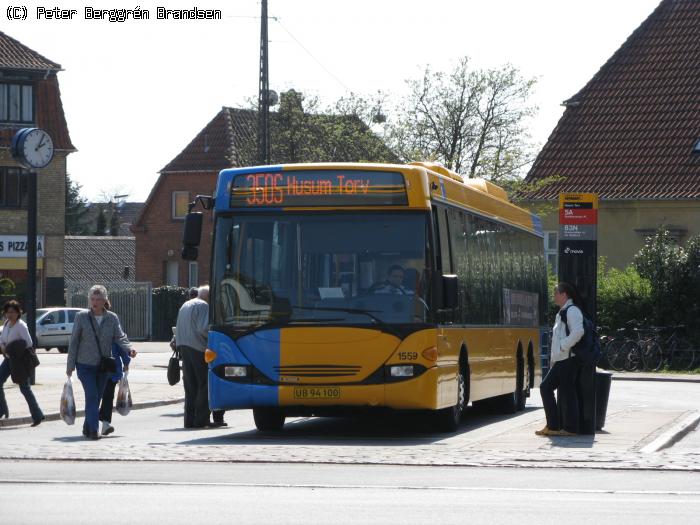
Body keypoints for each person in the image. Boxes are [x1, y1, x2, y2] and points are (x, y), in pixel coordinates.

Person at [67, 285, 133, 440]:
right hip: (84, 365)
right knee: (92, 395)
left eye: (98, 299)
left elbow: (120, 336)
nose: (95, 302)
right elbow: (74, 341)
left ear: (105, 301)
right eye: (92, 299)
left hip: (104, 366)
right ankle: (93, 430)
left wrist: (129, 349)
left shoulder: (112, 317)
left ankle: (87, 426)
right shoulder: (81, 317)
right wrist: (70, 365)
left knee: (96, 398)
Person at [536, 282, 585, 437]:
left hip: (568, 358)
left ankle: (569, 428)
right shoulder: (562, 311)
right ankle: (554, 426)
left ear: (564, 295)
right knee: (549, 388)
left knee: (563, 391)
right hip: (562, 359)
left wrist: (564, 346)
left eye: (556, 293)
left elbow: (578, 332)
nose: (554, 296)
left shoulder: (572, 311)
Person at [176, 286, 226, 428]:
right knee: (204, 385)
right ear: (208, 297)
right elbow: (203, 328)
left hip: (184, 347)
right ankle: (202, 420)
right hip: (199, 348)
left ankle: (189, 420)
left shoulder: (185, 305)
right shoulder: (204, 306)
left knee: (190, 386)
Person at [0, 300, 44, 426]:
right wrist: (3, 347)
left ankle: (37, 415)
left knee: (24, 388)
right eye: (8, 312)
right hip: (8, 359)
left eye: (12, 312)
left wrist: (14, 348)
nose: (10, 314)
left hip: (19, 361)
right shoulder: (7, 323)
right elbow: (2, 339)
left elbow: (29, 343)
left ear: (18, 313)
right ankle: (2, 409)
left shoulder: (21, 326)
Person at [98, 299, 137, 436]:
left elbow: (121, 344)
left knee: (102, 396)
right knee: (106, 397)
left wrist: (126, 360)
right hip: (110, 369)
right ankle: (103, 422)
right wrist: (126, 362)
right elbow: (121, 345)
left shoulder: (109, 324)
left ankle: (102, 422)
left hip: (107, 369)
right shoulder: (112, 324)